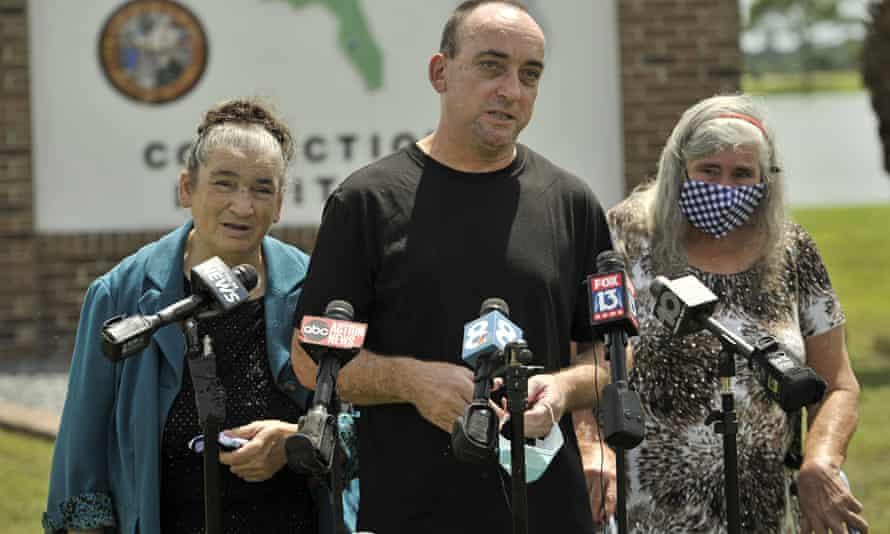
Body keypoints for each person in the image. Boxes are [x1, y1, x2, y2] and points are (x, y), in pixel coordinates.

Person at [290, 2, 618, 533]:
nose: (511, 89)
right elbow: (311, 358)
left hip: (549, 513)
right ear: (440, 73)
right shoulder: (366, 203)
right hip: (414, 511)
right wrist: (414, 381)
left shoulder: (571, 203)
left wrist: (561, 391)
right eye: (492, 65)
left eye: (529, 74)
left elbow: (610, 353)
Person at [589, 94, 869, 533]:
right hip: (647, 513)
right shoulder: (624, 238)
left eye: (743, 174)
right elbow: (586, 365)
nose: (725, 188)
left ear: (766, 180)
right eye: (708, 171)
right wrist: (594, 451)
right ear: (680, 170)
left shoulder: (793, 251)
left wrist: (822, 459)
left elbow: (836, 383)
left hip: (767, 511)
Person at [44, 98, 322, 533]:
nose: (243, 206)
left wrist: (294, 441)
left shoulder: (315, 289)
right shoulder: (121, 295)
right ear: (186, 188)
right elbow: (83, 451)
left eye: (262, 188)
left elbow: (358, 422)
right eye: (224, 184)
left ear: (281, 203)